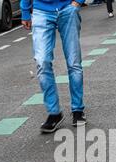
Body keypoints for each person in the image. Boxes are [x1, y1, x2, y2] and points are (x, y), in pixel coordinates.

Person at [21, 0, 87, 133]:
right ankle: (54, 113)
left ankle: (77, 110)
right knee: (42, 61)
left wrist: (78, 2)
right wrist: (25, 11)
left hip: (68, 8)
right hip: (41, 11)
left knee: (73, 62)